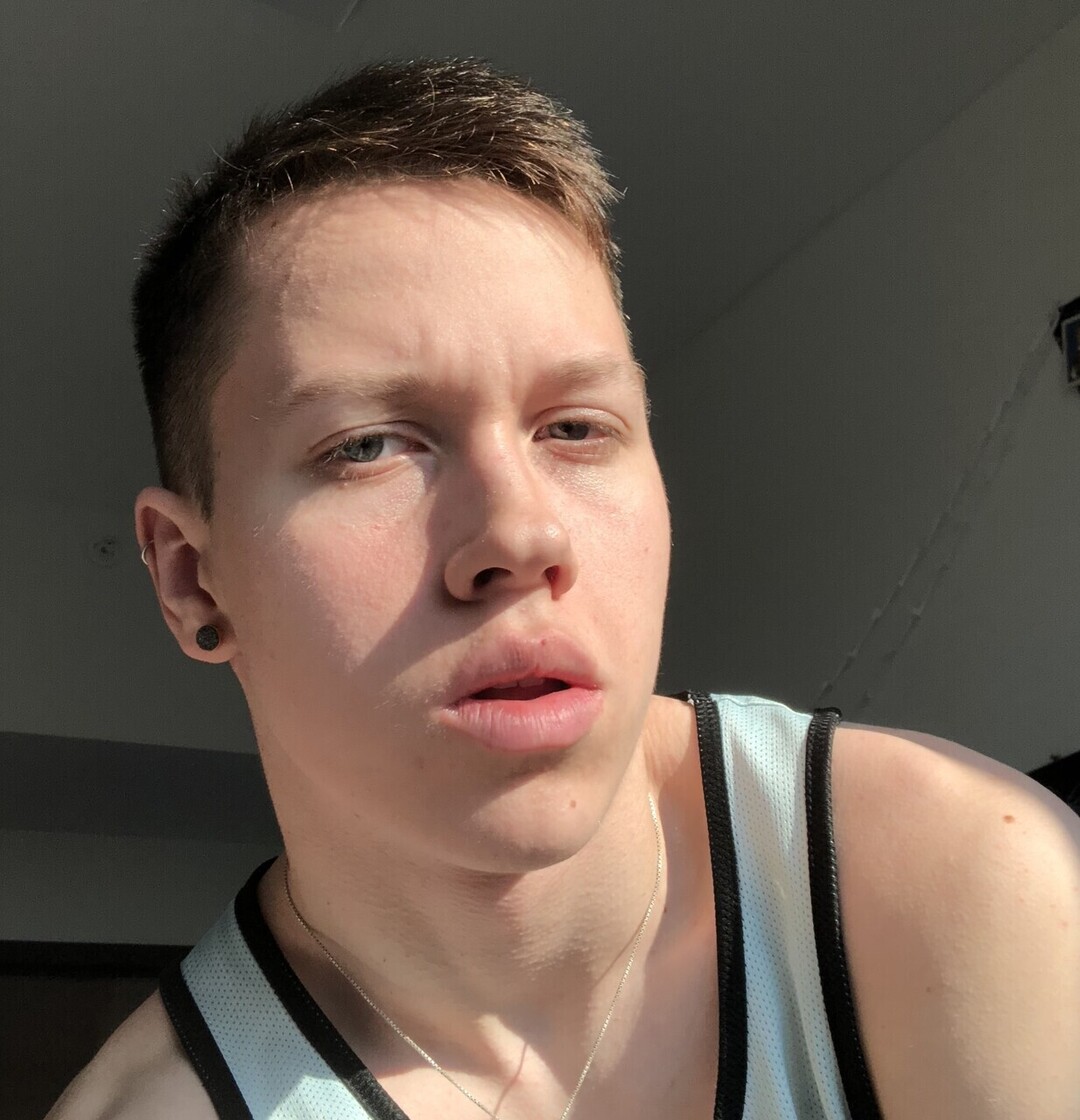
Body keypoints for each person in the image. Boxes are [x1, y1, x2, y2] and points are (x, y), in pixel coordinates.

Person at [49, 58, 1079, 1120]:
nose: (523, 534)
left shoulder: (967, 889)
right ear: (191, 578)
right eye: (367, 445)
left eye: (577, 427)